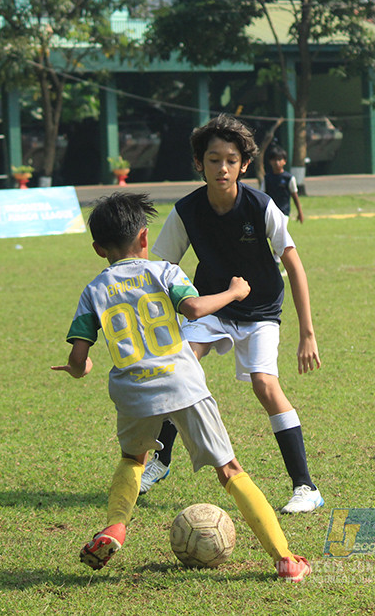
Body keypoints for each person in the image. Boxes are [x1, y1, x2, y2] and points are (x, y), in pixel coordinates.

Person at [51, 192, 310, 581]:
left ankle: (115, 526)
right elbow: (194, 309)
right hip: (181, 381)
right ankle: (285, 558)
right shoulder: (164, 272)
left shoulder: (94, 290)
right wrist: (235, 292)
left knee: (132, 460)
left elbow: (77, 358)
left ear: (98, 248)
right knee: (229, 470)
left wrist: (79, 368)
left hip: (132, 389)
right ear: (144, 237)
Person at [144, 114, 324, 514]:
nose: (222, 168)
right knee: (179, 368)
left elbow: (294, 266)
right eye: (213, 160)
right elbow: (161, 269)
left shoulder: (261, 206)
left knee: (264, 384)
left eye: (230, 160)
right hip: (212, 304)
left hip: (260, 310)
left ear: (244, 165)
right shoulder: (187, 211)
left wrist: (307, 334)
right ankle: (160, 460)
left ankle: (305, 486)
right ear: (199, 163)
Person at [263, 144, 304, 225]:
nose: (277, 162)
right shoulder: (267, 178)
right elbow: (263, 195)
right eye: (274, 160)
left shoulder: (289, 178)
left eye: (279, 159)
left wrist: (300, 212)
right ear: (270, 161)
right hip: (270, 211)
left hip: (283, 212)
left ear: (284, 161)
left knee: (280, 229)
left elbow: (294, 195)